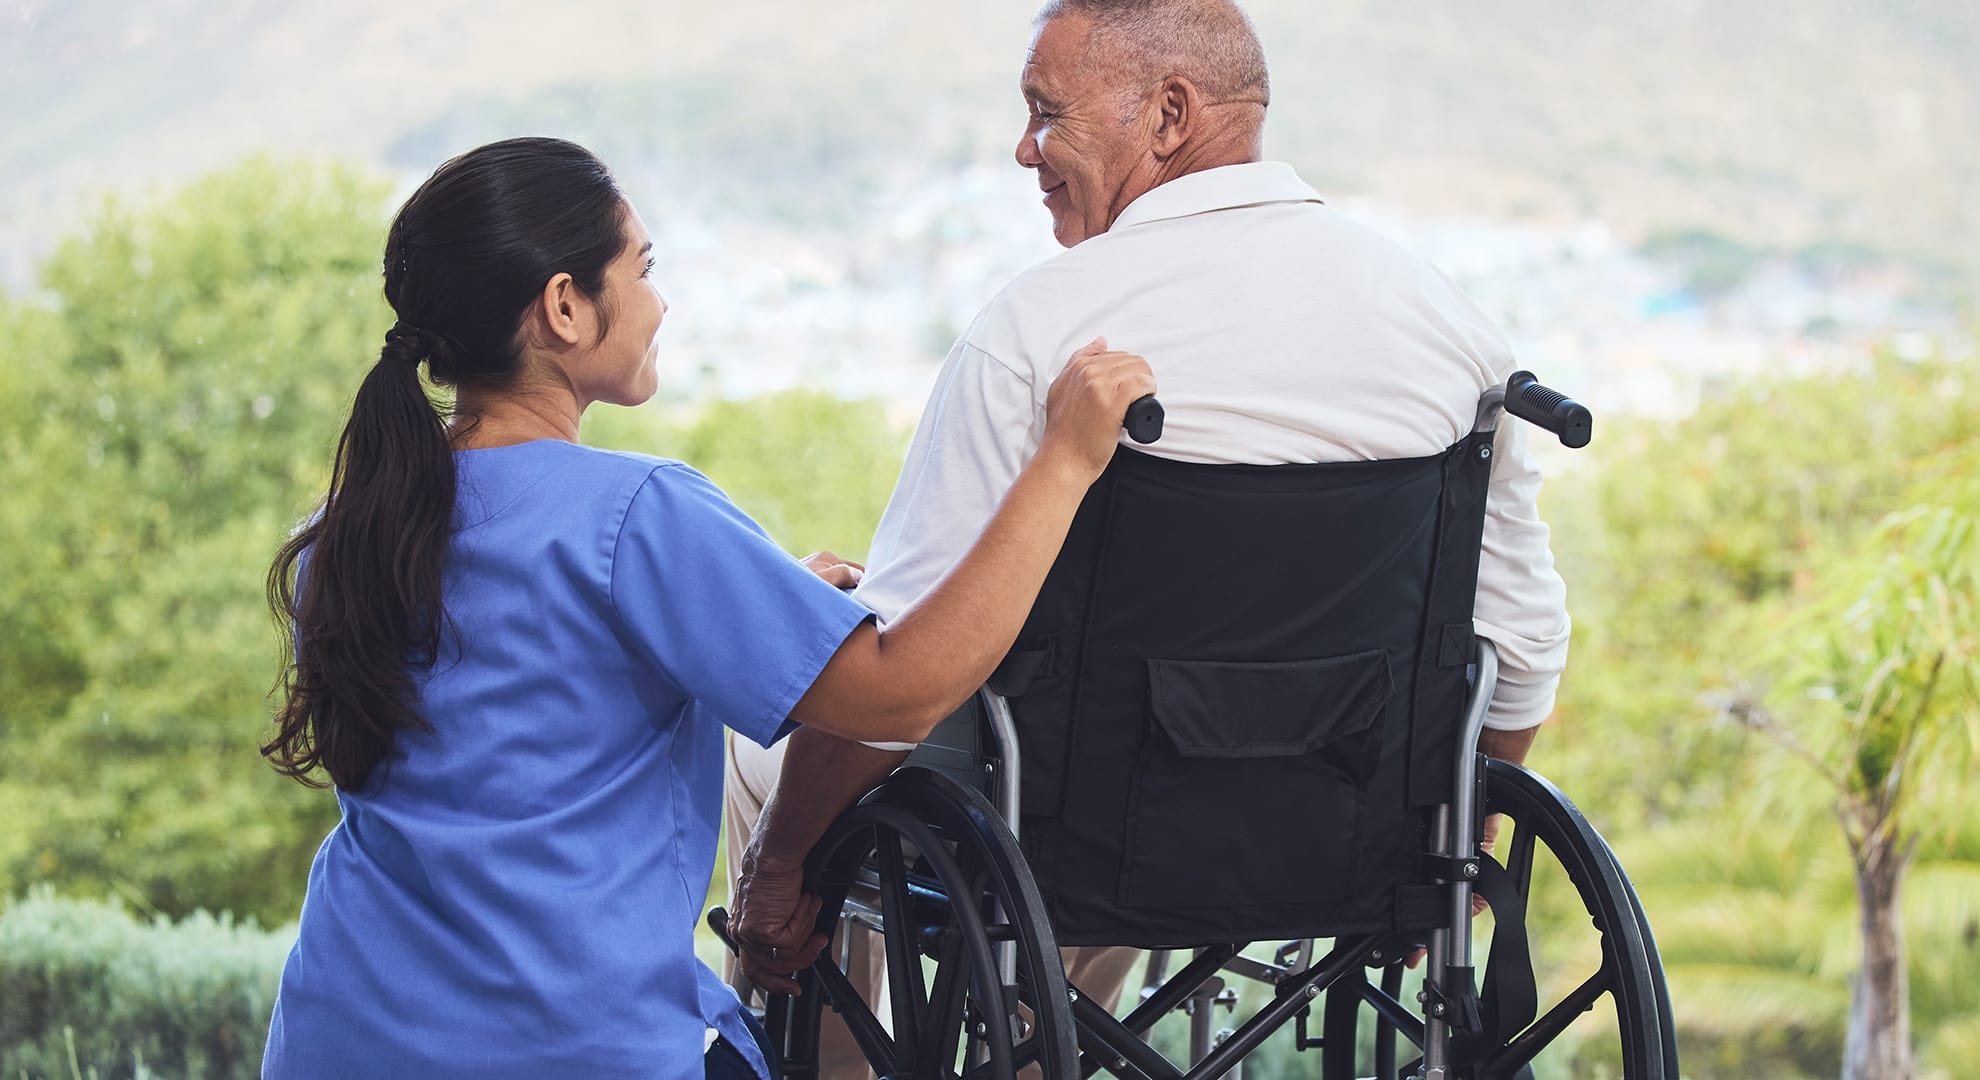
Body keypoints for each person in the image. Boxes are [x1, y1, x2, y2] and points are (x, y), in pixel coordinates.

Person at [724, 0, 1572, 1066]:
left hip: (1087, 837)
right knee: (1090, 786)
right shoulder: (1449, 328)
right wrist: (1452, 830)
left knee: (775, 743)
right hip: (1340, 833)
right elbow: (1526, 640)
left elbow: (896, 677)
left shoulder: (1043, 326)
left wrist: (780, 859)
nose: (1023, 149)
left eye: (1046, 114)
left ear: (1168, 115)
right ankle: (1037, 1045)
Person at [256, 136, 1154, 1080]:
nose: (660, 300)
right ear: (565, 306)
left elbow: (518, 693)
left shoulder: (353, 530)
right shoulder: (636, 516)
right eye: (641, 269)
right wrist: (1067, 458)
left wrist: (775, 610)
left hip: (340, 1032)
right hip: (576, 1051)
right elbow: (898, 696)